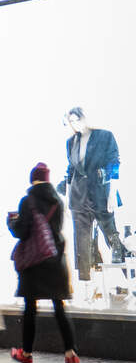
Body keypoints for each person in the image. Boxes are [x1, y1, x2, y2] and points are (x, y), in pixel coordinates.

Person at [10, 163, 80, 363]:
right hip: (56, 259)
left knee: (30, 308)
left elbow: (22, 232)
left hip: (35, 262)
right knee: (59, 307)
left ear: (33, 179)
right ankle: (71, 353)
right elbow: (56, 229)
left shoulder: (28, 200)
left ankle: (27, 353)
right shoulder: (58, 201)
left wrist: (13, 222)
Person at [60, 107, 129, 279]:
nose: (74, 124)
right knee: (81, 243)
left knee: (111, 237)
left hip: (100, 192)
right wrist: (68, 201)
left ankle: (130, 276)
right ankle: (86, 285)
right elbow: (70, 171)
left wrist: (112, 192)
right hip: (78, 196)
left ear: (84, 117)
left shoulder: (105, 136)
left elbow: (114, 163)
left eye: (76, 119)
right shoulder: (71, 142)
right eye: (71, 121)